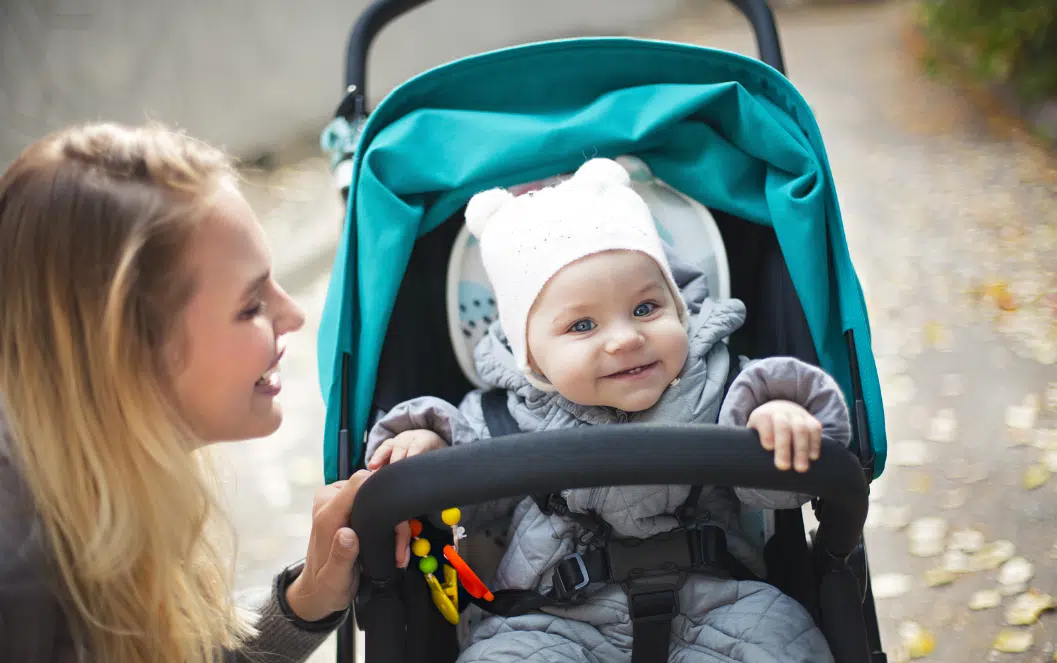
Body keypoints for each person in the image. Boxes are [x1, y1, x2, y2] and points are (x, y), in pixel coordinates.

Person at [365, 158, 851, 662]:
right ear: (530, 357)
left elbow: (785, 491)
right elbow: (453, 509)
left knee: (782, 642)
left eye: (646, 309)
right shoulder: (501, 418)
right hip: (550, 621)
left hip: (721, 605)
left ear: (678, 307)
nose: (626, 339)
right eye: (582, 326)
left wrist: (781, 418)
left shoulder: (726, 386)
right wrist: (426, 444)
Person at [0, 123, 409, 663]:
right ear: (128, 351)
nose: (292, 313)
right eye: (250, 305)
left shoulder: (96, 493)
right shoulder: (19, 586)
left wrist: (306, 599)